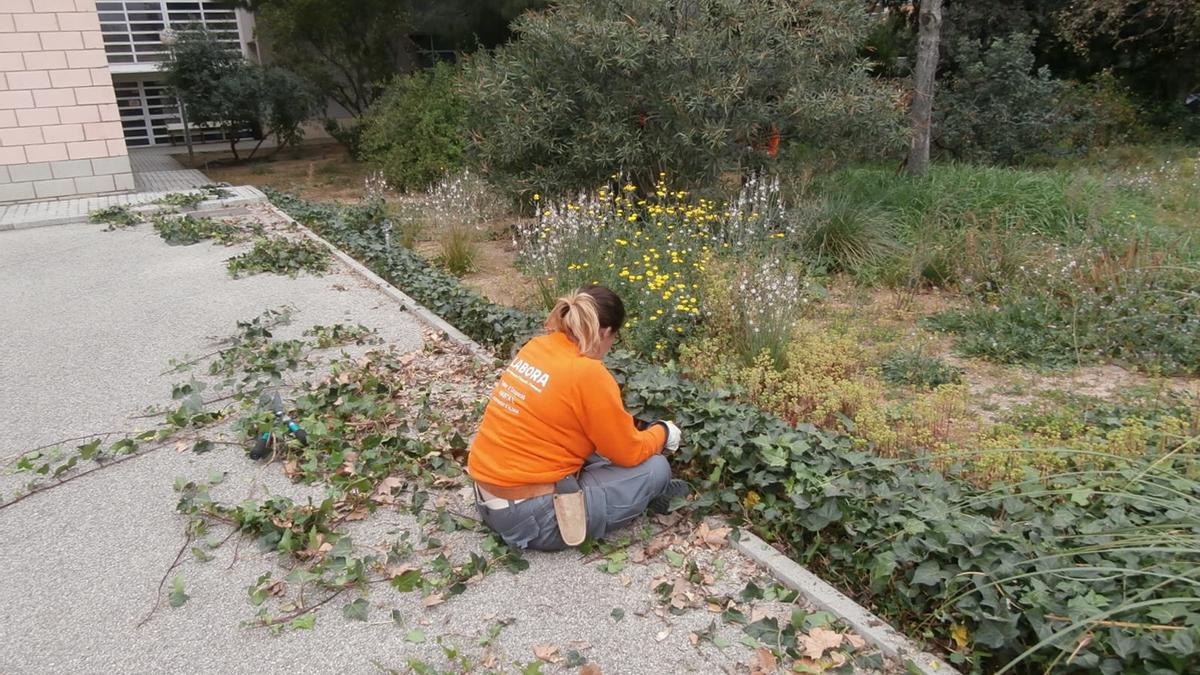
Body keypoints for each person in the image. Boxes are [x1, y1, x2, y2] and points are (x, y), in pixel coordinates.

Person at [467, 285, 690, 551]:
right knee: (655, 469)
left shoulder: (537, 346)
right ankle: (647, 492)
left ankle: (629, 492)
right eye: (614, 338)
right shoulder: (588, 373)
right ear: (606, 332)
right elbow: (629, 453)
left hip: (487, 494)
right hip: (530, 519)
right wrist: (664, 432)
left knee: (602, 454)